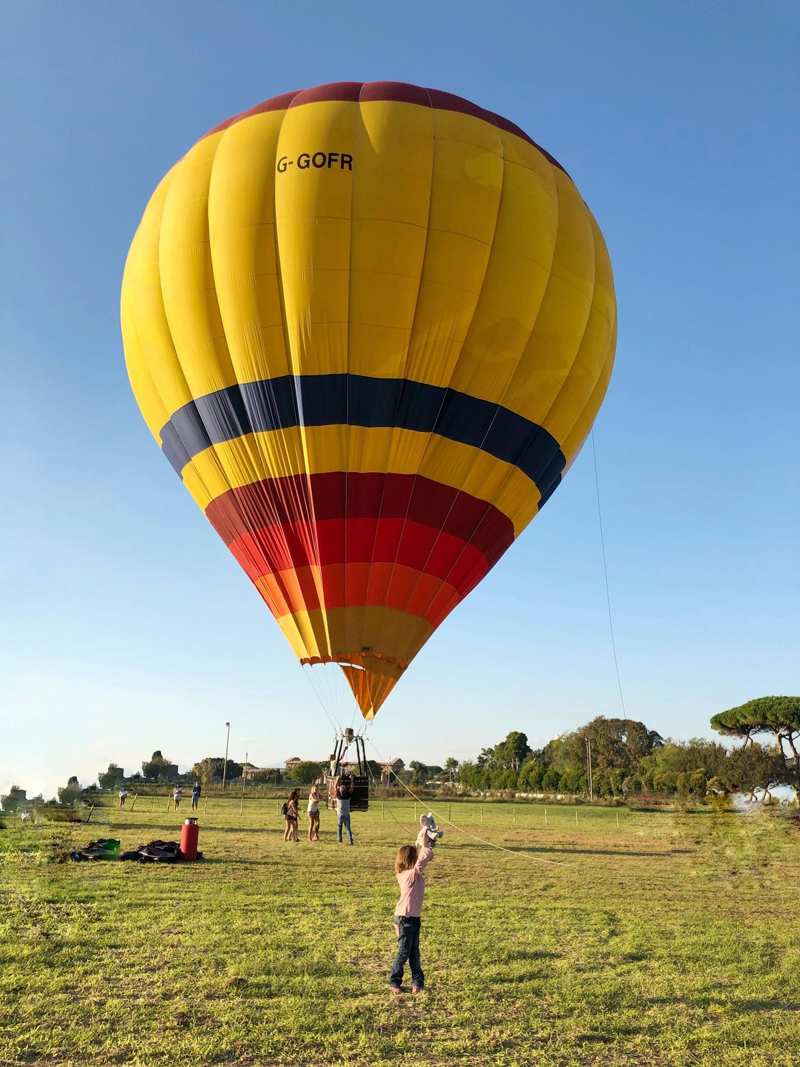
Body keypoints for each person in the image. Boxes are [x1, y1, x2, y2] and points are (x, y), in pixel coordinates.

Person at [389, 843, 434, 995]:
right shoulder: (407, 875)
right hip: (404, 919)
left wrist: (425, 838)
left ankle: (418, 982)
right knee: (403, 952)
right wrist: (428, 846)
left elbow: (424, 858)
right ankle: (394, 981)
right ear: (411, 859)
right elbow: (423, 860)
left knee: (414, 953)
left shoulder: (415, 875)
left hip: (414, 919)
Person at [336, 778, 353, 845]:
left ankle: (340, 840)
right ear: (346, 790)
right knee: (348, 828)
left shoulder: (338, 796)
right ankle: (350, 839)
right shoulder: (348, 796)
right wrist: (352, 780)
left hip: (340, 815)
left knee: (339, 827)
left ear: (340, 791)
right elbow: (352, 788)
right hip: (347, 814)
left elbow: (335, 787)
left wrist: (337, 779)